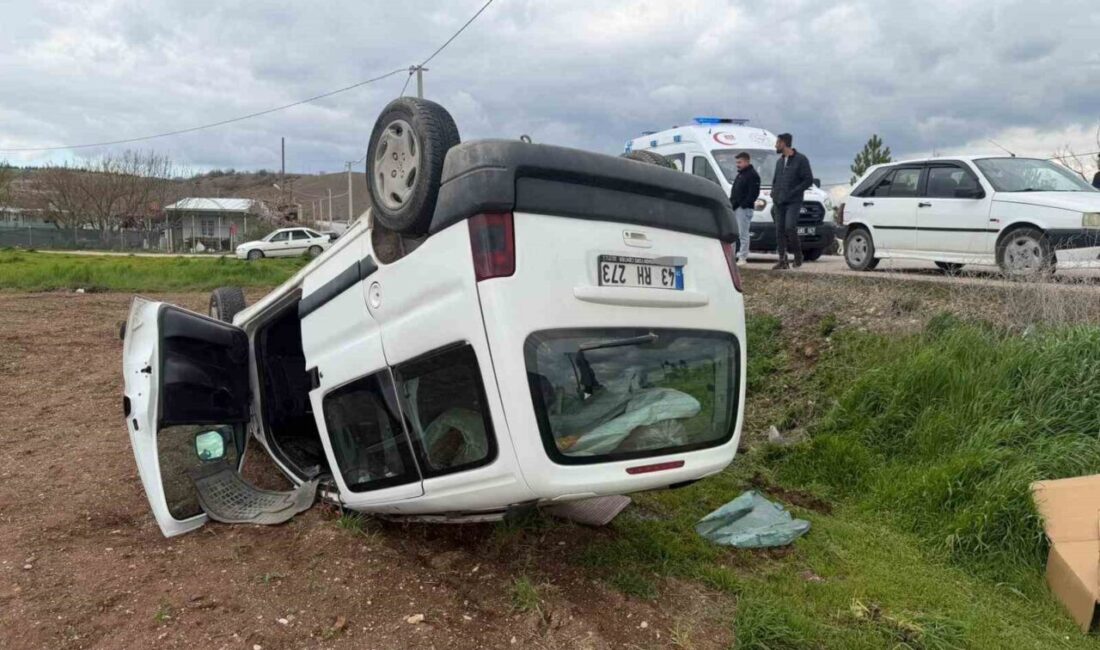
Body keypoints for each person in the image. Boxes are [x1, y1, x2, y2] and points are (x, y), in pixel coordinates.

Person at [770, 133, 814, 269]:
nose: (776, 145)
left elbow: (808, 180)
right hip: (779, 201)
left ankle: (798, 255)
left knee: (789, 227)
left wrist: (794, 191)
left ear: (784, 143)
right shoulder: (779, 162)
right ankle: (782, 260)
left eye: (777, 143)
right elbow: (776, 180)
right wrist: (774, 193)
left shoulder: (801, 159)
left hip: (794, 201)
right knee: (779, 230)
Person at [729, 151, 761, 265]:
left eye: (740, 162)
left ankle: (742, 257)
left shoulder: (752, 175)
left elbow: (753, 194)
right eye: (737, 162)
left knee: (743, 234)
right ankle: (731, 257)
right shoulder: (740, 174)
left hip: (744, 208)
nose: (737, 164)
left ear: (747, 161)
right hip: (735, 207)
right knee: (733, 233)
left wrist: (743, 204)